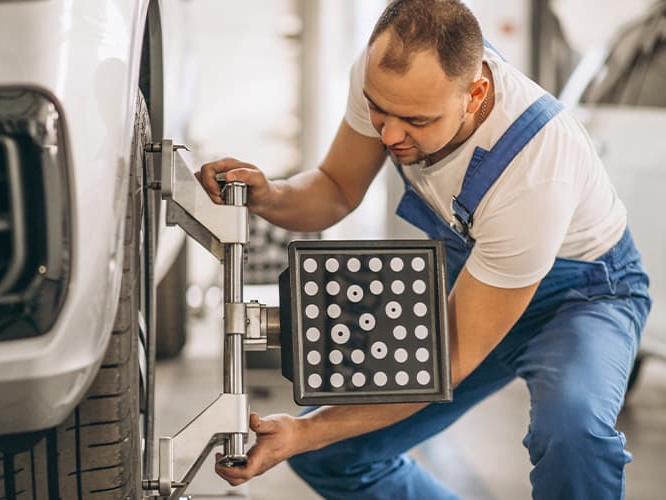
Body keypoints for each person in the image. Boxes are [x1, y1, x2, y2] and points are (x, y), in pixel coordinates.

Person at [197, 1, 651, 498]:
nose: (390, 134)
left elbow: (446, 359)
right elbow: (336, 188)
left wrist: (305, 430)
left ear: (474, 94)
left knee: (574, 433)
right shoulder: (386, 79)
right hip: (476, 278)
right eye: (378, 109)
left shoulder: (535, 171)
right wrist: (269, 195)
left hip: (582, 297)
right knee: (332, 454)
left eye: (415, 120)